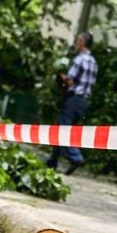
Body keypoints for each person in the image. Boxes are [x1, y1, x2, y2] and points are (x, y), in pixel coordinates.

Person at [47, 31, 98, 174]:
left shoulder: (79, 59)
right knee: (69, 129)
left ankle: (76, 157)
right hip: (84, 101)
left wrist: (60, 77)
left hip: (73, 99)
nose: (76, 43)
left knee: (64, 129)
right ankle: (52, 161)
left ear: (82, 43)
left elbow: (70, 81)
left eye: (77, 41)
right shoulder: (93, 62)